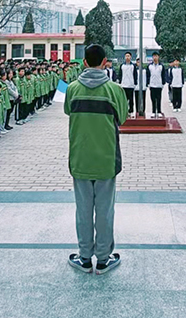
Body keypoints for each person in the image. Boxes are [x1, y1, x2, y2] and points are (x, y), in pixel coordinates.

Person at [65, 44, 127, 275]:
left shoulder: (72, 89)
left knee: (82, 210)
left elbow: (68, 113)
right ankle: (102, 259)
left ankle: (83, 257)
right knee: (105, 210)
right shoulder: (114, 90)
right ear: (104, 63)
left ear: (84, 62)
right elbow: (122, 118)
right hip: (106, 159)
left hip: (80, 158)